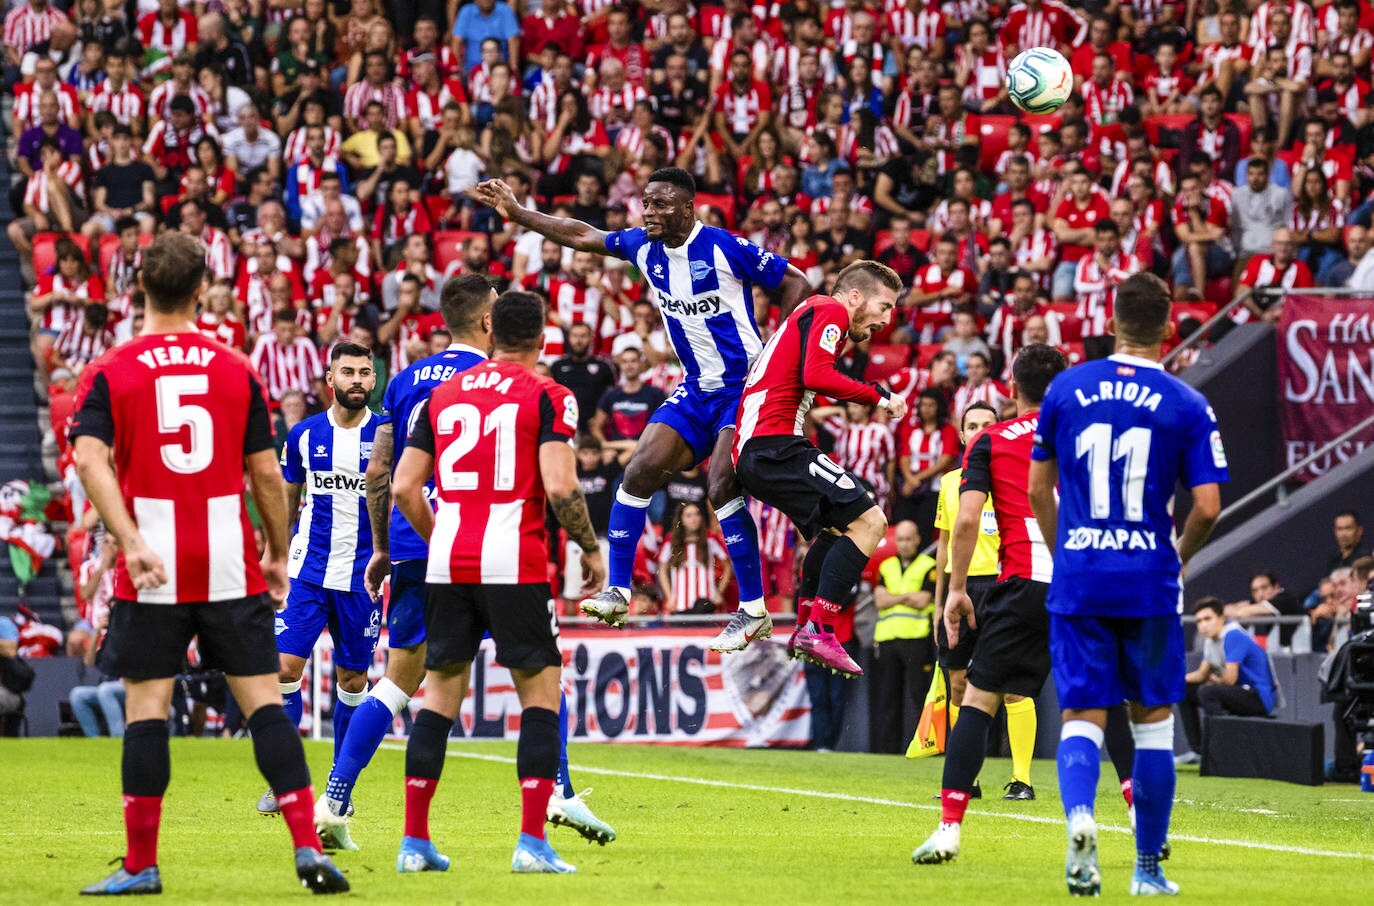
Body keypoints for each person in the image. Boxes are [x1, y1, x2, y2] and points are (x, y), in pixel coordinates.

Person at [68, 232, 347, 895]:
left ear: (140, 285)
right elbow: (266, 476)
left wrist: (131, 541)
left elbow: (86, 458)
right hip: (227, 559)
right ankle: (309, 848)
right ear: (202, 289)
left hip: (154, 561)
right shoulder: (237, 369)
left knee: (147, 712)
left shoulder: (111, 369)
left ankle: (142, 866)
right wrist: (277, 551)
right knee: (265, 707)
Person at [470, 168, 812, 656]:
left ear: (688, 209)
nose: (649, 212)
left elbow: (796, 281)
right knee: (637, 471)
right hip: (696, 388)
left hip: (745, 386)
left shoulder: (723, 247)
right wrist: (520, 212)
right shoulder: (643, 248)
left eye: (660, 205)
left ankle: (754, 610)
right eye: (646, 204)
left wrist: (780, 356)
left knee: (718, 484)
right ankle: (618, 591)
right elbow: (582, 235)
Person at [321, 280, 613, 847]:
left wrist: (384, 546)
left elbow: (382, 473)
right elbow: (556, 481)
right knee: (539, 679)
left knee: (404, 684)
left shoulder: (409, 383)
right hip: (493, 544)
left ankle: (336, 799)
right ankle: (553, 799)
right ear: (488, 322)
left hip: (422, 549)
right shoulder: (522, 387)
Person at [389, 290, 604, 874]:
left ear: (490, 332)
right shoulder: (550, 395)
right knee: (540, 694)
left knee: (438, 699)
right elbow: (560, 488)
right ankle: (532, 843)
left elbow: (404, 487)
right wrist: (591, 547)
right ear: (542, 337)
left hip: (447, 562)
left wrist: (441, 540)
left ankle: (414, 844)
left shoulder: (440, 395)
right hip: (514, 559)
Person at [1026, 271, 1227, 896]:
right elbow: (1209, 505)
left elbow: (1038, 488)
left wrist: (1068, 553)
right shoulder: (1188, 403)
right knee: (1153, 723)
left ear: (1111, 321)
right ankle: (1146, 871)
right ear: (1168, 329)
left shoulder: (1065, 387)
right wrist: (1176, 553)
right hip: (1148, 576)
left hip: (1082, 571)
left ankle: (1081, 820)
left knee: (1082, 715)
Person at [910, 344, 1067, 868]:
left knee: (979, 698)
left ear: (1010, 392)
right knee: (1106, 702)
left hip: (1019, 580)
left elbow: (966, 522)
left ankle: (950, 829)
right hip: (1088, 579)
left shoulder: (994, 442)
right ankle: (1142, 831)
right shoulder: (1089, 431)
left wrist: (952, 592)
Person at [732, 260, 909, 678]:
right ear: (853, 296)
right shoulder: (829, 310)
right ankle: (820, 629)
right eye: (883, 306)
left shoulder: (814, 316)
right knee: (871, 522)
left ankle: (806, 625)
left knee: (836, 532)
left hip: (757, 452)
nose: (886, 319)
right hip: (774, 444)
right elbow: (818, 374)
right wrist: (879, 397)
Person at [255, 344, 380, 850]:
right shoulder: (304, 434)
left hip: (362, 579)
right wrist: (274, 557)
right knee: (284, 667)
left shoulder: (388, 435)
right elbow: (285, 499)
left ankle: (337, 788)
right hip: (307, 571)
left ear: (373, 379)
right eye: (347, 371)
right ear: (329, 376)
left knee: (352, 680)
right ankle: (285, 779)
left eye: (364, 372)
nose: (356, 379)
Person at [1176, 598, 1278, 763]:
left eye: (1207, 619)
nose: (1203, 625)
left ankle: (1222, 750)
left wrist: (1214, 680)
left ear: (1221, 618)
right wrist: (1175, 682)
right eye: (1199, 621)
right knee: (1185, 690)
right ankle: (1200, 751)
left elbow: (1230, 679)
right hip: (1237, 692)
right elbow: (1202, 675)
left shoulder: (1233, 635)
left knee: (1207, 692)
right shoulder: (1210, 641)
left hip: (1258, 697)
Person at [870, 520, 936, 755]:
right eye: (900, 539)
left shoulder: (929, 564)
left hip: (917, 639)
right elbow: (879, 600)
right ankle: (887, 750)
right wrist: (908, 596)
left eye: (909, 539)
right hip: (888, 638)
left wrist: (894, 596)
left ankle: (923, 746)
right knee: (888, 698)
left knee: (920, 696)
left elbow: (924, 600)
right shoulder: (886, 566)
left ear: (918, 539)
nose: (904, 544)